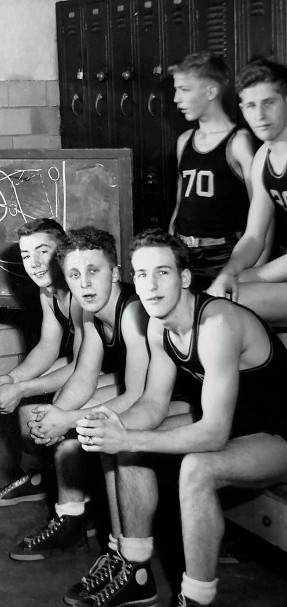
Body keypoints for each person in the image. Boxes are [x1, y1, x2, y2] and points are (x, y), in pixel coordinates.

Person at [77, 229, 287, 607]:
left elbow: (213, 435)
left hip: (277, 434)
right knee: (126, 441)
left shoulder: (217, 325)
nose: (151, 286)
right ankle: (136, 571)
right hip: (239, 426)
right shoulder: (158, 324)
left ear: (185, 277)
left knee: (196, 469)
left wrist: (128, 437)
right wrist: (109, 424)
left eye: (163, 272)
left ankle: (195, 599)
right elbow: (153, 404)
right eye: (142, 274)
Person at [8, 228, 154, 607]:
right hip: (145, 392)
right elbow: (85, 376)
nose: (84, 283)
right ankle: (114, 551)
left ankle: (135, 567)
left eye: (94, 271)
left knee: (108, 434)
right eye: (75, 275)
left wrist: (68, 420)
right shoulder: (90, 313)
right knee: (83, 421)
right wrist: (58, 414)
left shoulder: (132, 312)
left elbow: (139, 397)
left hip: (179, 397)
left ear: (115, 271)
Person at [0, 218, 81, 507]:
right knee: (28, 395)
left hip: (116, 368)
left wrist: (22, 387)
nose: (34, 263)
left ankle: (78, 503)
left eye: (42, 252)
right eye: (26, 255)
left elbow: (84, 367)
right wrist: (14, 379)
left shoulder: (79, 288)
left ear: (62, 251)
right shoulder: (48, 291)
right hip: (87, 362)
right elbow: (48, 346)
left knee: (61, 400)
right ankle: (36, 478)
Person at [168, 52, 257, 293]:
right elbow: (180, 204)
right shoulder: (184, 140)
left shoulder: (239, 142)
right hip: (184, 253)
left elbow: (261, 217)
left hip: (224, 256)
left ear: (211, 91)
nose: (176, 98)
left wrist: (253, 272)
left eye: (184, 89)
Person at [208, 58, 287, 299]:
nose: (260, 115)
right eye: (251, 106)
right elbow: (254, 237)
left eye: (269, 103)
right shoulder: (263, 159)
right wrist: (228, 272)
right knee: (217, 298)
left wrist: (248, 277)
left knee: (230, 299)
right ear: (242, 109)